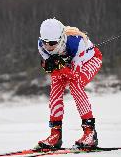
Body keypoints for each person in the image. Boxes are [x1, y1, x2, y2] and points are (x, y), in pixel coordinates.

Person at [37, 18, 102, 149]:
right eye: (45, 42)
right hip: (68, 66)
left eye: (53, 43)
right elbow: (55, 74)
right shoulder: (41, 45)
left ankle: (90, 133)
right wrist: (48, 66)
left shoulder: (77, 43)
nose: (49, 46)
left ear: (61, 38)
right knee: (55, 89)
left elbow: (74, 76)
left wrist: (60, 66)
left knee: (75, 86)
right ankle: (55, 134)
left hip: (91, 60)